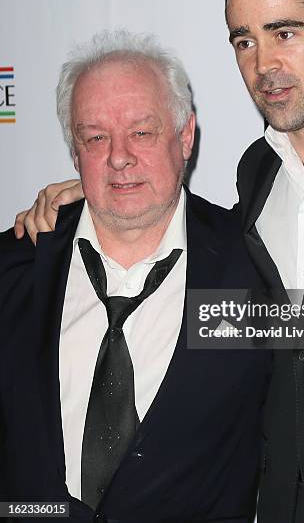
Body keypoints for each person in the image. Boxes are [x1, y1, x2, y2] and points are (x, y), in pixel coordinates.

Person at [14, 0, 304, 523]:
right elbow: (258, 324)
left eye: (284, 32)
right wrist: (95, 192)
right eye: (244, 40)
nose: (262, 65)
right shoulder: (259, 170)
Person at [0, 30, 270, 522]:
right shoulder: (14, 269)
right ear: (74, 151)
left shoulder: (253, 267)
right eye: (95, 137)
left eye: (142, 132)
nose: (119, 157)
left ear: (184, 136)